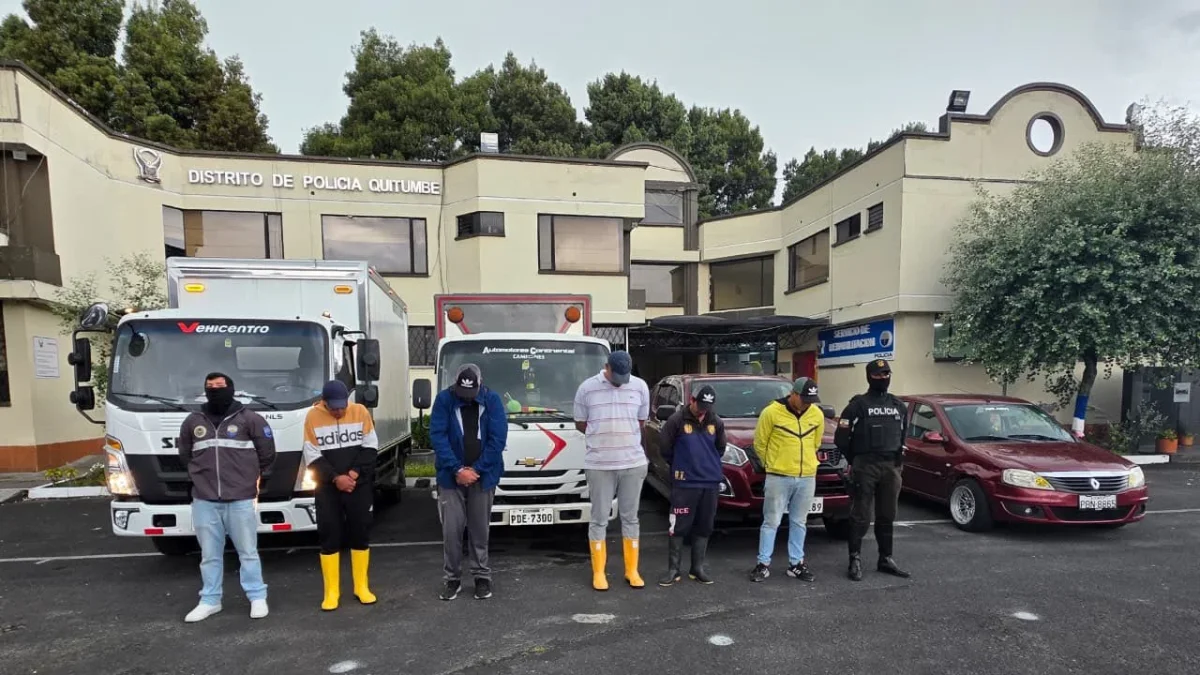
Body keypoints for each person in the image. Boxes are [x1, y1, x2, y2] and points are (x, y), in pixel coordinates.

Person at [177, 372, 276, 623]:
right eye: (210, 386)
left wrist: (248, 478)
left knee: (248, 552)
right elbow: (185, 455)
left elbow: (267, 453)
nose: (215, 390)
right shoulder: (193, 421)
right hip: (205, 500)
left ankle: (257, 596)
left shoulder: (250, 419)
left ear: (231, 388)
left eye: (220, 386)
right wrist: (200, 479)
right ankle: (210, 600)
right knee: (209, 555)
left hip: (241, 498)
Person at [573, 350, 651, 591]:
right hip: (599, 465)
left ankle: (632, 570)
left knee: (631, 518)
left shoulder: (639, 386)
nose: (621, 381)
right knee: (598, 519)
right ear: (606, 367)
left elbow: (640, 421)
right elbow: (580, 422)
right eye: (617, 375)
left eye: (625, 375)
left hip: (633, 462)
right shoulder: (587, 388)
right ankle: (598, 572)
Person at [430, 364, 507, 601]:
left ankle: (482, 576)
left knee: (479, 529)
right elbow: (438, 436)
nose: (466, 398)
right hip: (450, 477)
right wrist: (457, 469)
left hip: (483, 476)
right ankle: (452, 579)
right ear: (455, 385)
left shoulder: (492, 400)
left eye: (471, 393)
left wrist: (476, 470)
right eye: (462, 394)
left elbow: (498, 439)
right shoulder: (444, 400)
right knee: (451, 530)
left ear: (479, 384)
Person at [303, 380, 380, 611]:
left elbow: (370, 447)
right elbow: (312, 454)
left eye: (342, 406)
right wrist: (336, 478)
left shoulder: (360, 412)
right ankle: (331, 592)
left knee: (360, 531)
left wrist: (354, 474)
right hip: (328, 487)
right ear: (324, 402)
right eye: (333, 407)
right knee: (329, 533)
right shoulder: (312, 417)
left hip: (358, 485)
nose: (339, 411)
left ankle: (361, 587)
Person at [835, 359, 911, 581]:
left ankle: (885, 558)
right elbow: (841, 439)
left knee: (887, 515)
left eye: (886, 374)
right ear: (869, 377)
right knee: (861, 515)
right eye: (878, 375)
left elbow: (903, 435)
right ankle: (854, 559)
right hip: (865, 465)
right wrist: (855, 460)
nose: (883, 378)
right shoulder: (856, 406)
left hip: (891, 466)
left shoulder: (899, 406)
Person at [749, 377, 824, 583]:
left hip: (807, 475)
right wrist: (772, 465)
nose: (808, 403)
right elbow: (760, 443)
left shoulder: (816, 414)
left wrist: (806, 464)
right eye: (805, 398)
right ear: (794, 394)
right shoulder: (771, 412)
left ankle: (796, 564)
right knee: (771, 521)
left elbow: (815, 443)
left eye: (811, 399)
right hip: (778, 476)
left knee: (799, 521)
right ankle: (763, 564)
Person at [658, 385, 726, 586]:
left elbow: (720, 449)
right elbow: (665, 449)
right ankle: (673, 569)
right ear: (692, 400)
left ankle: (697, 568)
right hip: (685, 482)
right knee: (678, 526)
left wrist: (708, 466)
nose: (703, 409)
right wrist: (682, 465)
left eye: (708, 406)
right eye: (700, 405)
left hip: (709, 482)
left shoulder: (716, 422)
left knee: (704, 526)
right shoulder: (676, 421)